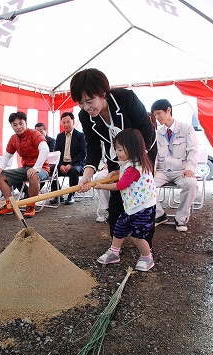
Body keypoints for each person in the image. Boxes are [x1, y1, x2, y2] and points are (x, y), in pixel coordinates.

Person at [70, 68, 157, 247]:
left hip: (143, 152)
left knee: (142, 199)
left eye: (89, 101)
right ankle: (115, 246)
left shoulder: (126, 98)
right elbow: (93, 148)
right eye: (80, 103)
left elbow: (147, 130)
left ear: (103, 93)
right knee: (117, 198)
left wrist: (134, 165)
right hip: (116, 156)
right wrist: (87, 175)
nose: (86, 107)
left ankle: (146, 246)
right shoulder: (84, 117)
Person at [95, 129, 156, 271]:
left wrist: (101, 186)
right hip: (132, 206)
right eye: (116, 148)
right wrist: (116, 172)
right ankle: (114, 252)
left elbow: (121, 185)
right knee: (119, 228)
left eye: (120, 149)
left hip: (143, 208)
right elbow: (125, 174)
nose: (117, 152)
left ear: (132, 148)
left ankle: (147, 258)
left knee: (138, 236)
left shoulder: (134, 167)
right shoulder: (132, 162)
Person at [151, 99, 199, 232]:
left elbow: (193, 150)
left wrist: (190, 168)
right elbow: (154, 154)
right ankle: (159, 215)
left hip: (182, 170)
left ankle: (181, 218)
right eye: (155, 115)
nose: (157, 117)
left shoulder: (186, 128)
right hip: (163, 171)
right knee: (145, 184)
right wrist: (152, 170)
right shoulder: (158, 133)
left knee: (191, 184)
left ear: (168, 110)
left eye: (159, 113)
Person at [0, 111, 50, 218]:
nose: (18, 127)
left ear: (26, 123)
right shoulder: (13, 138)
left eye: (21, 123)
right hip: (25, 168)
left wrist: (36, 168)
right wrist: (1, 167)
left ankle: (31, 205)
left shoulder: (34, 134)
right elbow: (7, 154)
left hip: (42, 169)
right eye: (15, 125)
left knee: (33, 175)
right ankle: (10, 205)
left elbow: (45, 149)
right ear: (11, 126)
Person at [50, 112, 86, 205]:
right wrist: (61, 164)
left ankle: (71, 195)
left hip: (76, 163)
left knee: (74, 170)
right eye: (64, 122)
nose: (66, 125)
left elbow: (83, 153)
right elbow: (56, 153)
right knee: (51, 169)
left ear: (73, 122)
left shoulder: (80, 135)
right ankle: (58, 195)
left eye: (68, 122)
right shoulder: (59, 136)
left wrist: (71, 164)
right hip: (62, 163)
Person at [94, 141, 110, 222]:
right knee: (99, 178)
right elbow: (98, 157)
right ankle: (107, 209)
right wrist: (103, 166)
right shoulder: (101, 139)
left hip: (125, 166)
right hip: (107, 168)